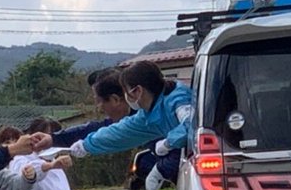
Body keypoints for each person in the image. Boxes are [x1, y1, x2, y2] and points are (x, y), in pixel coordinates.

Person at [48, 61, 193, 163]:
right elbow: (120, 132)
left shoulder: (178, 100)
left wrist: (168, 143)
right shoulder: (148, 114)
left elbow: (192, 124)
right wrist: (86, 145)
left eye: (126, 91)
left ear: (137, 91)